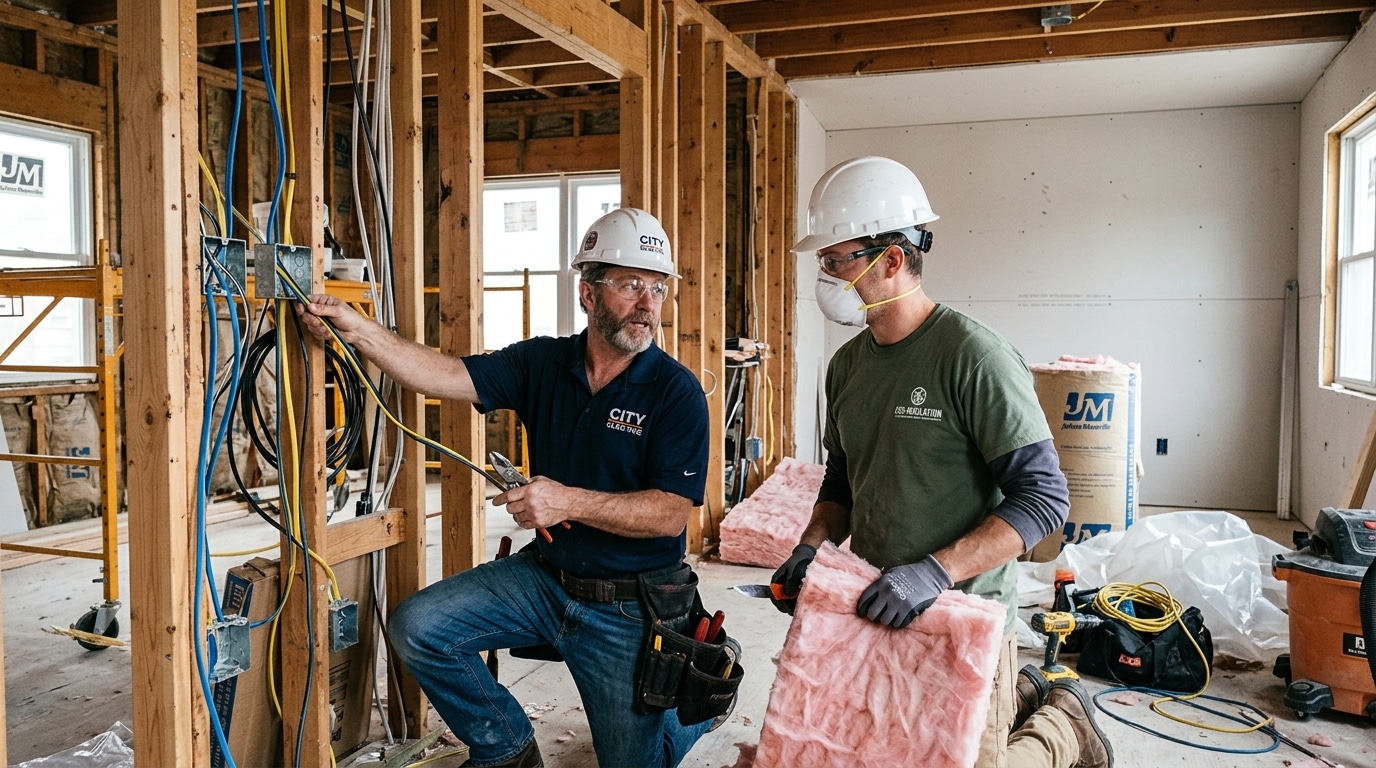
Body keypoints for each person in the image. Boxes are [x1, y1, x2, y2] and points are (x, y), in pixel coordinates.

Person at [297, 208, 715, 768]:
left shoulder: (676, 391)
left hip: (630, 604)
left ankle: (700, 702)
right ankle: (507, 748)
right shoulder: (544, 361)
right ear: (587, 294)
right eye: (630, 284)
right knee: (418, 628)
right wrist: (360, 332)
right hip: (547, 580)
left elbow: (670, 515)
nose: (648, 305)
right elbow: (446, 375)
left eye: (658, 289)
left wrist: (564, 500)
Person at [772, 156, 1113, 768]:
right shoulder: (846, 367)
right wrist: (813, 548)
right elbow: (844, 480)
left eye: (835, 259)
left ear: (893, 260)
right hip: (878, 605)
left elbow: (1043, 499)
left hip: (965, 613)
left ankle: (1063, 724)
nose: (823, 275)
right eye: (821, 261)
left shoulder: (974, 358)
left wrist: (933, 572)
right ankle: (1027, 695)